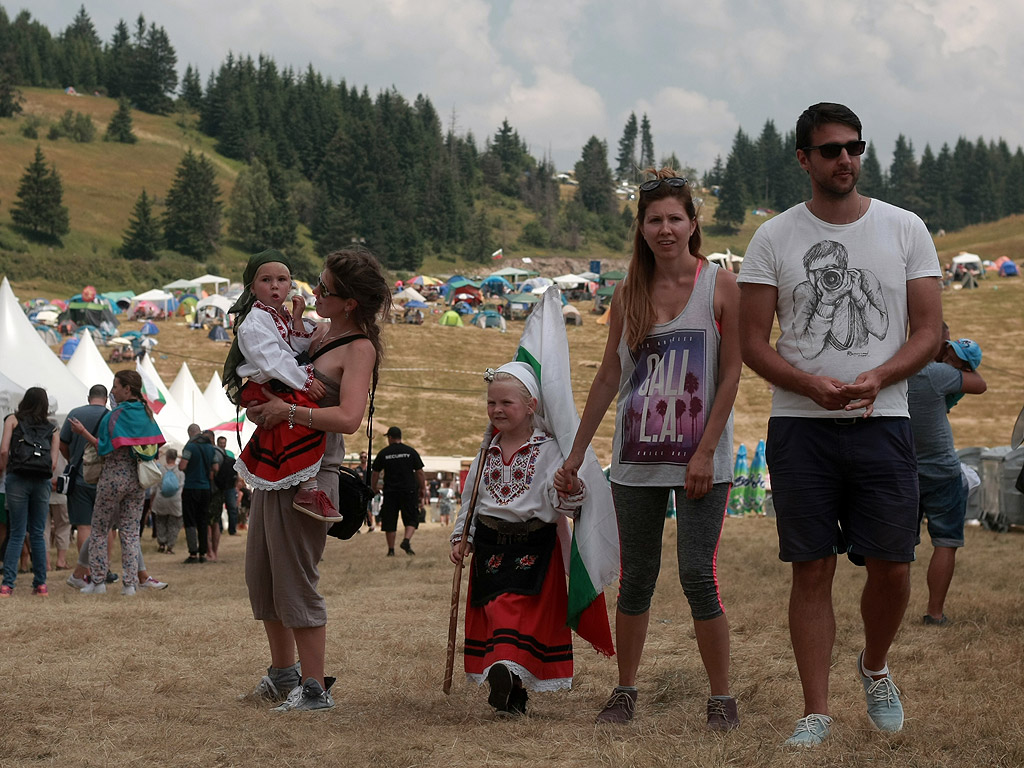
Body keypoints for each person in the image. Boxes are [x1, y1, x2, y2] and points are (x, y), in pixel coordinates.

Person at [736, 102, 943, 746]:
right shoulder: (773, 238)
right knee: (811, 568)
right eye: (830, 150)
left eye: (854, 147)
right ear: (804, 159)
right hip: (801, 426)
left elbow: (929, 331)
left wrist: (879, 378)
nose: (845, 158)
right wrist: (806, 385)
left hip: (885, 420)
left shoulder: (905, 228)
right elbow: (751, 342)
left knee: (893, 566)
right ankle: (816, 710)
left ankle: (874, 665)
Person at [559, 168, 742, 730]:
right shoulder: (628, 292)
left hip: (701, 461)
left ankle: (721, 699)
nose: (665, 229)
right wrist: (574, 456)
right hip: (636, 461)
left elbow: (732, 374)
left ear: (693, 224)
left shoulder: (719, 286)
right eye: (654, 219)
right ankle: (624, 691)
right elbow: (610, 377)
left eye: (675, 218)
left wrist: (706, 451)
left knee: (696, 574)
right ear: (640, 228)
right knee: (636, 576)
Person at [242, 248, 391, 712]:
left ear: (349, 302)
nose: (313, 292)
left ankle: (313, 689)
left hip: (314, 473)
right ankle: (282, 674)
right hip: (276, 469)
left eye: (325, 288)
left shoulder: (358, 347)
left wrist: (287, 410)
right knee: (262, 576)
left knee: (296, 581)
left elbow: (348, 418)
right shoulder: (319, 335)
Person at [451, 365, 587, 716]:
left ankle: (508, 677)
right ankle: (510, 686)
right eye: (491, 402)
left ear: (531, 406)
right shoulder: (486, 451)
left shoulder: (549, 450)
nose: (497, 409)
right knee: (497, 613)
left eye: (506, 402)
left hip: (535, 547)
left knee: (518, 616)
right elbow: (471, 499)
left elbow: (561, 502)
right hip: (490, 547)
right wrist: (461, 536)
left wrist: (565, 487)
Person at [223, 249, 338, 523]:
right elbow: (271, 360)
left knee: (303, 418)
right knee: (303, 418)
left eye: (282, 279)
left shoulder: (279, 315)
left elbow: (293, 347)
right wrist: (306, 381)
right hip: (270, 383)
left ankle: (306, 486)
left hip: (281, 380)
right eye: (266, 280)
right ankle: (307, 490)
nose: (275, 286)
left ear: (290, 284)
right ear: (252, 286)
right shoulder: (253, 322)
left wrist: (297, 319)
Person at [908, 331, 986, 626]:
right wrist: (964, 368)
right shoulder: (940, 374)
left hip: (904, 470)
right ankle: (935, 613)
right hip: (941, 468)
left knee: (901, 547)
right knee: (945, 542)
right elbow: (982, 384)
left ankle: (891, 608)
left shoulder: (893, 370)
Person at [71, 370, 165, 596]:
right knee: (131, 533)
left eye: (115, 386)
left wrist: (83, 432)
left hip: (113, 477)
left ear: (127, 389)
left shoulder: (114, 416)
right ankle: (130, 585)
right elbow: (156, 445)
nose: (112, 391)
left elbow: (103, 447)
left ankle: (99, 581)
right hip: (137, 480)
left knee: (100, 530)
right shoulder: (146, 413)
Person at [1, 387, 59, 597]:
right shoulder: (52, 428)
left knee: (16, 533)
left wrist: (7, 471)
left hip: (17, 479)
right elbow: (53, 464)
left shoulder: (12, 420)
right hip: (41, 481)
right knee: (37, 533)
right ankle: (40, 585)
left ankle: (7, 585)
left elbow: (4, 450)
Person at [59, 384, 109, 558]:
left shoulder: (75, 413)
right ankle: (105, 567)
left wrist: (71, 459)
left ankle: (85, 570)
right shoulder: (110, 416)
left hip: (80, 477)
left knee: (84, 526)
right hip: (104, 477)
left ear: (89, 398)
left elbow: (62, 443)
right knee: (107, 526)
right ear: (106, 398)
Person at [370, 427, 427, 556]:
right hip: (408, 491)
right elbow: (419, 472)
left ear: (390, 437)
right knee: (412, 518)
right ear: (400, 437)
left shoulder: (384, 453)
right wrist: (422, 488)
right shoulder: (410, 452)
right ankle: (406, 540)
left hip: (390, 492)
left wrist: (373, 488)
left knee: (389, 521)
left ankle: (391, 550)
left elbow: (375, 473)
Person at [178, 424, 219, 564]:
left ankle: (193, 553)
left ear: (190, 433)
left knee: (190, 520)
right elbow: (215, 467)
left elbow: (182, 465)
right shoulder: (210, 448)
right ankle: (203, 553)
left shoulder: (190, 447)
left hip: (191, 487)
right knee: (203, 520)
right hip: (205, 488)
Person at [153, 447, 184, 554]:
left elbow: (155, 486)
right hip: (175, 500)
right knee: (174, 524)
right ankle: (170, 547)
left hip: (161, 499)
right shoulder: (180, 471)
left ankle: (161, 543)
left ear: (167, 457)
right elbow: (182, 486)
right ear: (175, 458)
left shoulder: (161, 470)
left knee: (161, 522)